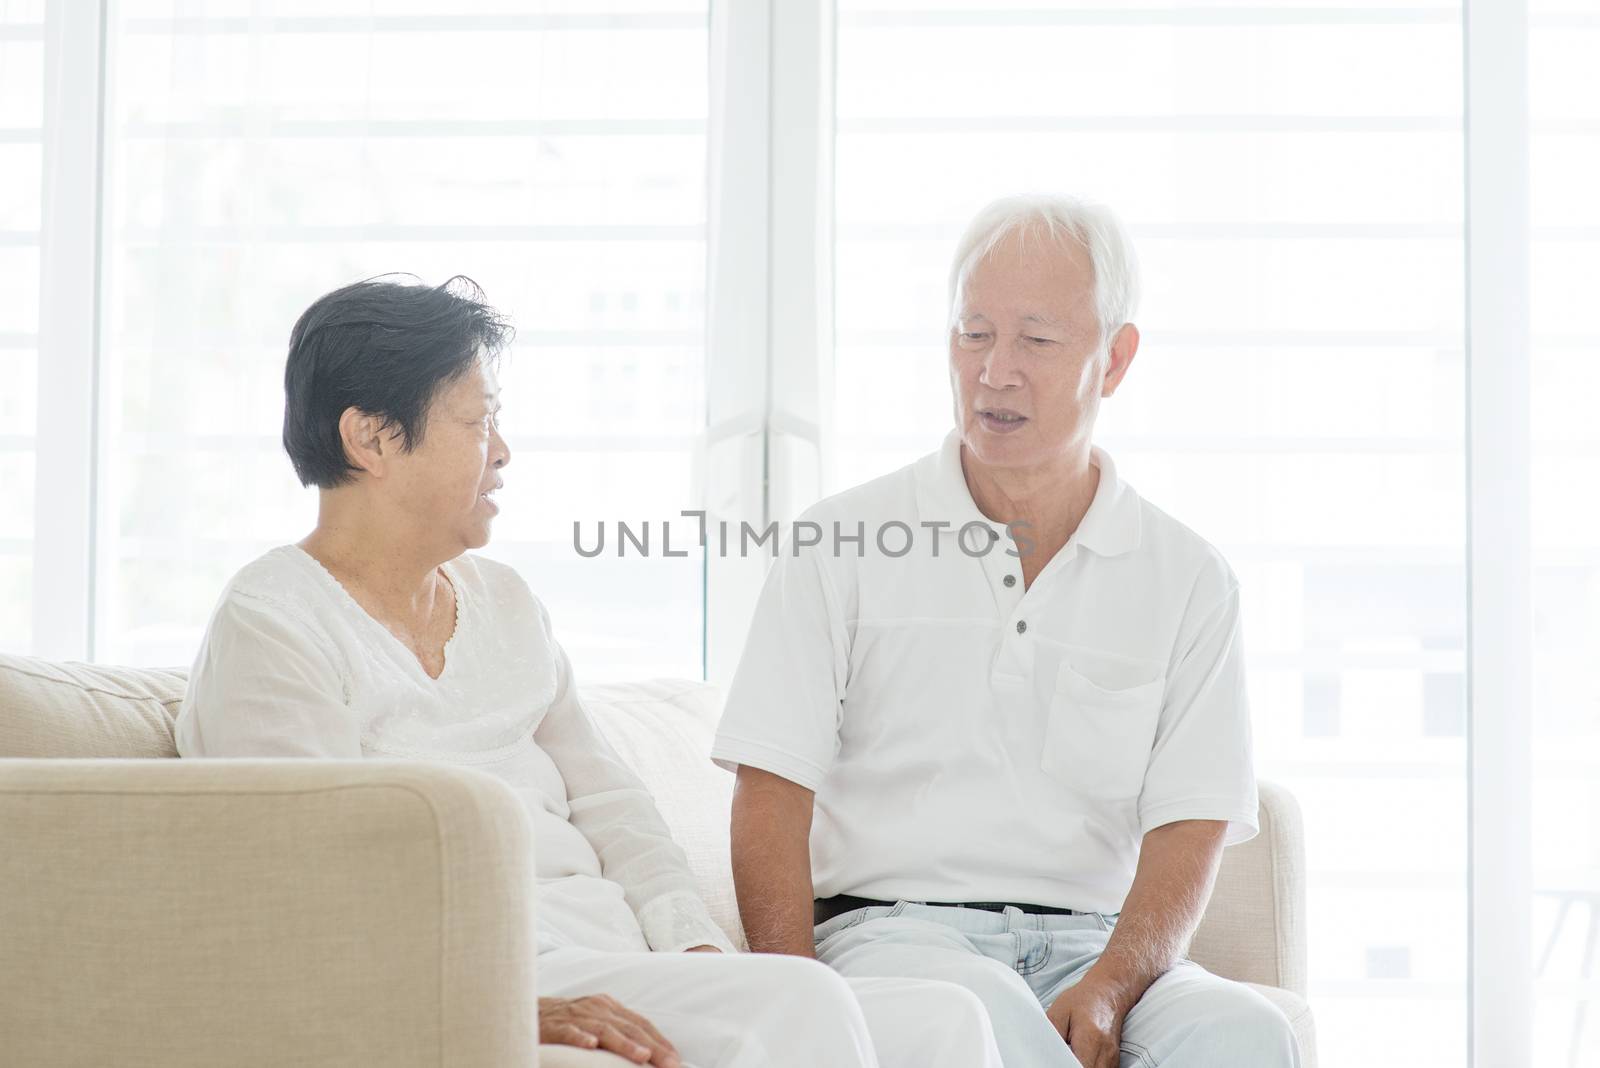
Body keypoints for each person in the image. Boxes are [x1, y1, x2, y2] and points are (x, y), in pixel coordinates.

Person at [175, 275, 1002, 1068]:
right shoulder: (273, 625)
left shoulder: (504, 603)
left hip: (622, 957)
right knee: (805, 1007)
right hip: (494, 965)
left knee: (944, 1018)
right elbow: (303, 888)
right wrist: (493, 1001)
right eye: (478, 422)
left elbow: (613, 806)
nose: (502, 451)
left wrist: (704, 950)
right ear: (372, 437)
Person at [713, 195, 1301, 1068]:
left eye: (1036, 339)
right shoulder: (838, 543)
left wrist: (1110, 983)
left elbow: (1193, 822)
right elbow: (770, 791)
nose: (994, 372)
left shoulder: (1188, 577)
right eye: (973, 333)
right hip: (892, 937)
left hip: (1094, 948)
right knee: (978, 1013)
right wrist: (795, 1001)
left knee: (1248, 1033)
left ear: (1116, 359)